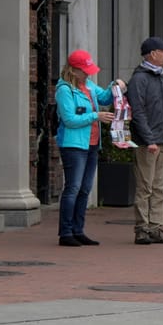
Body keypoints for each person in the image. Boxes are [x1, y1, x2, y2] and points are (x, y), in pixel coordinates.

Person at [55, 49, 116, 247]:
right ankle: (66, 232)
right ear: (73, 70)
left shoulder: (88, 85)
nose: (88, 74)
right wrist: (95, 116)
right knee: (73, 187)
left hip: (92, 144)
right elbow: (69, 120)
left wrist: (115, 86)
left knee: (85, 189)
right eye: (85, 70)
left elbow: (105, 98)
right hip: (73, 144)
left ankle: (78, 230)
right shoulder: (65, 89)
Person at [128, 37, 163, 245]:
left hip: (162, 141)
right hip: (147, 143)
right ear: (153, 54)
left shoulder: (162, 78)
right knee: (145, 187)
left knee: (158, 187)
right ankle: (142, 228)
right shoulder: (139, 79)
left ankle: (155, 227)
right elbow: (138, 112)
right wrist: (149, 139)